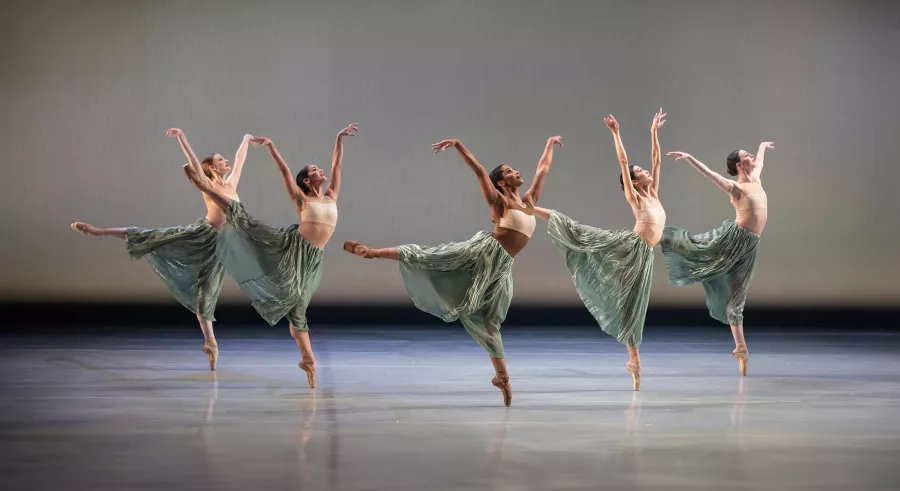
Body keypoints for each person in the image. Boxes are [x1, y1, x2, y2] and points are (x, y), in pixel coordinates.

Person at [342, 136, 563, 406]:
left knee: (491, 320)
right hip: (483, 252)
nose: (516, 171)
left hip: (502, 267)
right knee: (432, 257)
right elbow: (480, 171)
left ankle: (502, 377)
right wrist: (458, 146)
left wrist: (550, 144)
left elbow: (543, 170)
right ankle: (372, 252)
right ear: (502, 183)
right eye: (508, 171)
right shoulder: (499, 202)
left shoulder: (529, 202)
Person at [181, 124, 358, 388]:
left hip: (314, 259)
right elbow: (285, 172)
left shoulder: (331, 196)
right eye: (314, 170)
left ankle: (308, 361)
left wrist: (339, 139)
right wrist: (271, 147)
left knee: (298, 308)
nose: (321, 171)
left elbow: (337, 168)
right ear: (307, 181)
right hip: (293, 249)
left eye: (319, 169)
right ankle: (204, 187)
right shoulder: (302, 199)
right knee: (247, 225)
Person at [70, 131, 253, 370]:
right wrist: (181, 136)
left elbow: (240, 160)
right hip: (202, 234)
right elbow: (194, 162)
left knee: (206, 292)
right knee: (154, 237)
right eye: (220, 159)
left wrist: (247, 139)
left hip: (222, 244)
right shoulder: (207, 183)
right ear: (211, 168)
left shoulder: (231, 184)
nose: (226, 160)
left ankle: (211, 343)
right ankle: (99, 231)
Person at [534, 109, 667, 390]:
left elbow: (656, 160)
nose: (646, 171)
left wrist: (654, 131)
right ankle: (532, 209)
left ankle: (634, 360)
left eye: (644, 171)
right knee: (581, 234)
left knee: (633, 305)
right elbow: (624, 160)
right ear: (632, 182)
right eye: (640, 172)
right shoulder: (636, 197)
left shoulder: (653, 194)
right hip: (629, 247)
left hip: (643, 256)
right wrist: (616, 133)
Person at [663, 141, 774, 375]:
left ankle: (741, 349)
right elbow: (710, 174)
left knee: (737, 296)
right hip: (733, 239)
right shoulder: (736, 188)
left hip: (750, 245)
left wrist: (763, 146)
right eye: (747, 154)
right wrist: (690, 156)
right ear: (738, 164)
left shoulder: (756, 180)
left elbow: (761, 162)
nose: (752, 155)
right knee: (700, 251)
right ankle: (665, 237)